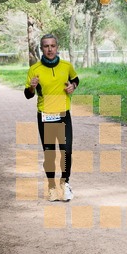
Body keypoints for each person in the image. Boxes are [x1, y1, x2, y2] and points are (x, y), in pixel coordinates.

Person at [24, 34, 79, 202]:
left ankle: (65, 183)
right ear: (41, 49)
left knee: (66, 150)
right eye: (46, 46)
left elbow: (76, 79)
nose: (49, 49)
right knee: (50, 154)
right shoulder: (35, 69)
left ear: (57, 47)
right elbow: (27, 94)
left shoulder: (66, 66)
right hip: (45, 116)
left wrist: (73, 86)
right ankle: (51, 187)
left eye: (52, 46)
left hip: (63, 114)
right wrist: (32, 88)